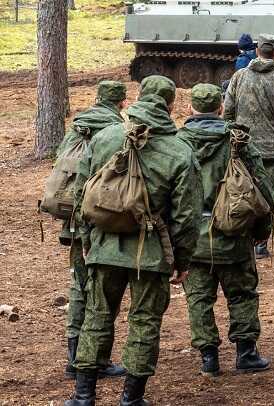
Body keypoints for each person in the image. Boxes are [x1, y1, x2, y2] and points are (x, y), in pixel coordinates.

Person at [65, 75, 202, 406]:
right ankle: (131, 398)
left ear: (136, 98)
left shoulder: (105, 137)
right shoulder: (180, 151)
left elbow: (82, 193)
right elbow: (187, 217)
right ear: (171, 105)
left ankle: (83, 395)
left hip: (103, 243)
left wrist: (85, 240)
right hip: (151, 253)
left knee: (96, 315)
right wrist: (181, 262)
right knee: (144, 321)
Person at [177, 84, 274, 377]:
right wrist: (263, 231)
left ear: (190, 108)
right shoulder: (239, 141)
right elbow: (262, 188)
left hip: (192, 237)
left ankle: (208, 358)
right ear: (220, 108)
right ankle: (246, 354)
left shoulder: (177, 143)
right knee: (242, 294)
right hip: (234, 233)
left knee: (198, 299)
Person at [57, 81, 128, 381]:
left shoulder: (77, 127)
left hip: (73, 219)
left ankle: (74, 356)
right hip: (102, 222)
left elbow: (59, 165)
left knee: (78, 286)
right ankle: (96, 359)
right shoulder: (117, 132)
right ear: (122, 103)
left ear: (97, 98)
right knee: (101, 296)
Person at [224, 33, 274, 259]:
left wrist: (230, 140)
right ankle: (261, 243)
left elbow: (227, 112)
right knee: (268, 194)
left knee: (240, 189)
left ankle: (241, 235)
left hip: (242, 147)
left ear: (256, 51)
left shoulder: (238, 77)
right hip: (271, 151)